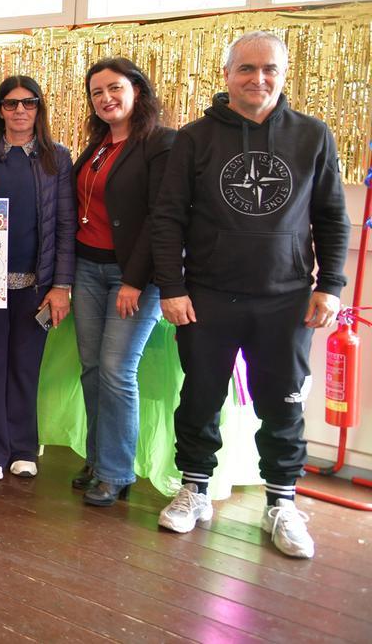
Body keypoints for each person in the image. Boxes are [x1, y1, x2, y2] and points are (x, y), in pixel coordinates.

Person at [152, 31, 348, 559]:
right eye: (246, 69)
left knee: (283, 405)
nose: (258, 79)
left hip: (285, 301)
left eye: (269, 70)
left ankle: (281, 503)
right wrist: (172, 286)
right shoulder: (194, 138)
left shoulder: (313, 135)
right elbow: (167, 218)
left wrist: (330, 285)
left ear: (283, 75)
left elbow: (332, 216)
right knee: (199, 399)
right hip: (208, 297)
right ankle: (194, 489)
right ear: (227, 75)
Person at [71, 57, 175, 506]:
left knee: (116, 372)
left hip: (133, 278)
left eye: (114, 88)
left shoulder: (160, 144)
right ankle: (99, 458)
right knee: (93, 370)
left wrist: (134, 279)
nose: (106, 98)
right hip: (87, 269)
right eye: (97, 93)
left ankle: (117, 471)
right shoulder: (97, 146)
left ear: (137, 90)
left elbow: (162, 218)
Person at [0, 77, 75, 481]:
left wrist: (61, 285)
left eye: (28, 104)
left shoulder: (57, 159)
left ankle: (23, 448)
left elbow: (66, 225)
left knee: (26, 367)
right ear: (0, 110)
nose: (19, 111)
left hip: (37, 284)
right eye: (11, 104)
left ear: (38, 109)